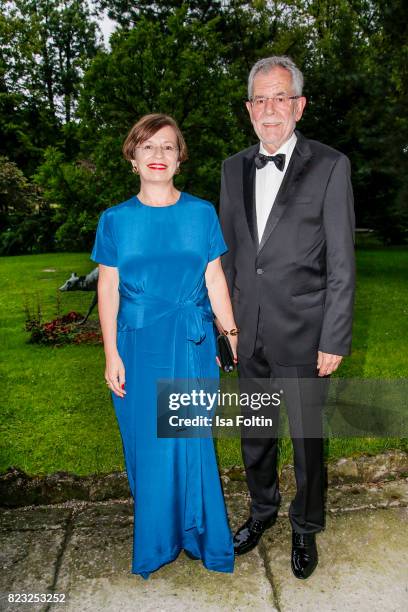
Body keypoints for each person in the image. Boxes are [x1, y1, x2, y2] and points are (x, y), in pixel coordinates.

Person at [219, 56, 355, 579]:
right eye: (260, 99)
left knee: (307, 440)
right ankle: (262, 511)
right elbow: (230, 256)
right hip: (246, 333)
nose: (269, 109)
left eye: (280, 98)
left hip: (305, 333)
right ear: (249, 109)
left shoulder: (330, 165)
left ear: (298, 106)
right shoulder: (232, 168)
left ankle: (306, 526)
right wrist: (226, 328)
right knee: (255, 433)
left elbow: (342, 260)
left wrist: (334, 336)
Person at [90, 113, 237, 578]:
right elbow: (107, 290)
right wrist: (111, 353)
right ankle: (157, 542)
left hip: (192, 344)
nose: (158, 155)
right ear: (132, 157)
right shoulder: (114, 220)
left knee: (190, 442)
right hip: (137, 348)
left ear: (180, 158)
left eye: (168, 147)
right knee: (148, 448)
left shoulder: (201, 213)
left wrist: (229, 337)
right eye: (147, 147)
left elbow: (214, 278)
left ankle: (198, 535)